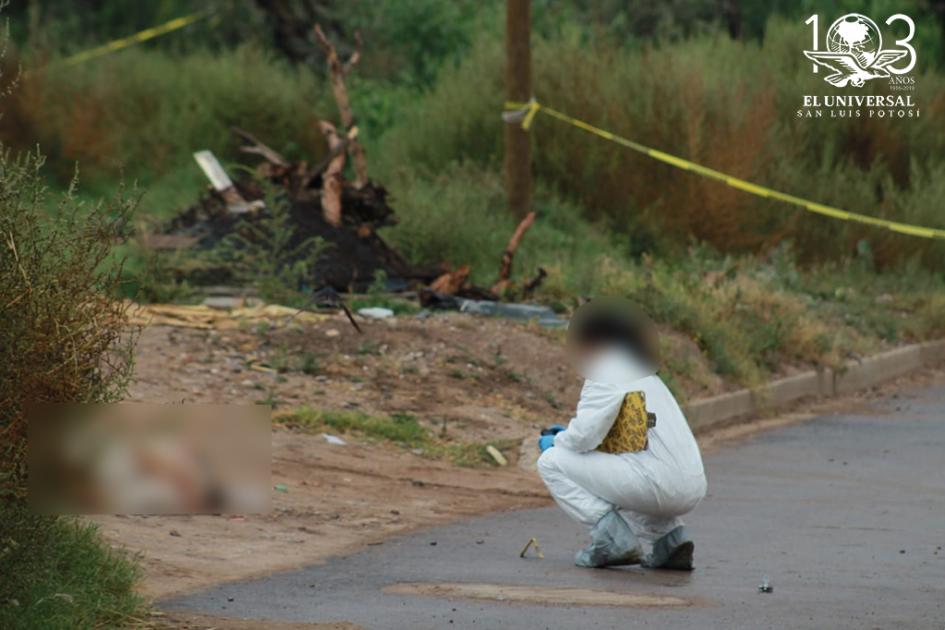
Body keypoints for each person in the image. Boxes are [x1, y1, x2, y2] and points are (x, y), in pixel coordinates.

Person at [536, 298, 707, 570]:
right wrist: (568, 435)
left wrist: (555, 442)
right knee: (618, 476)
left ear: (593, 341)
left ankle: (612, 542)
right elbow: (612, 436)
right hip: (689, 486)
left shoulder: (605, 371)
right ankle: (670, 539)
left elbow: (584, 437)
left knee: (551, 462)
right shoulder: (644, 373)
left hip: (658, 483)